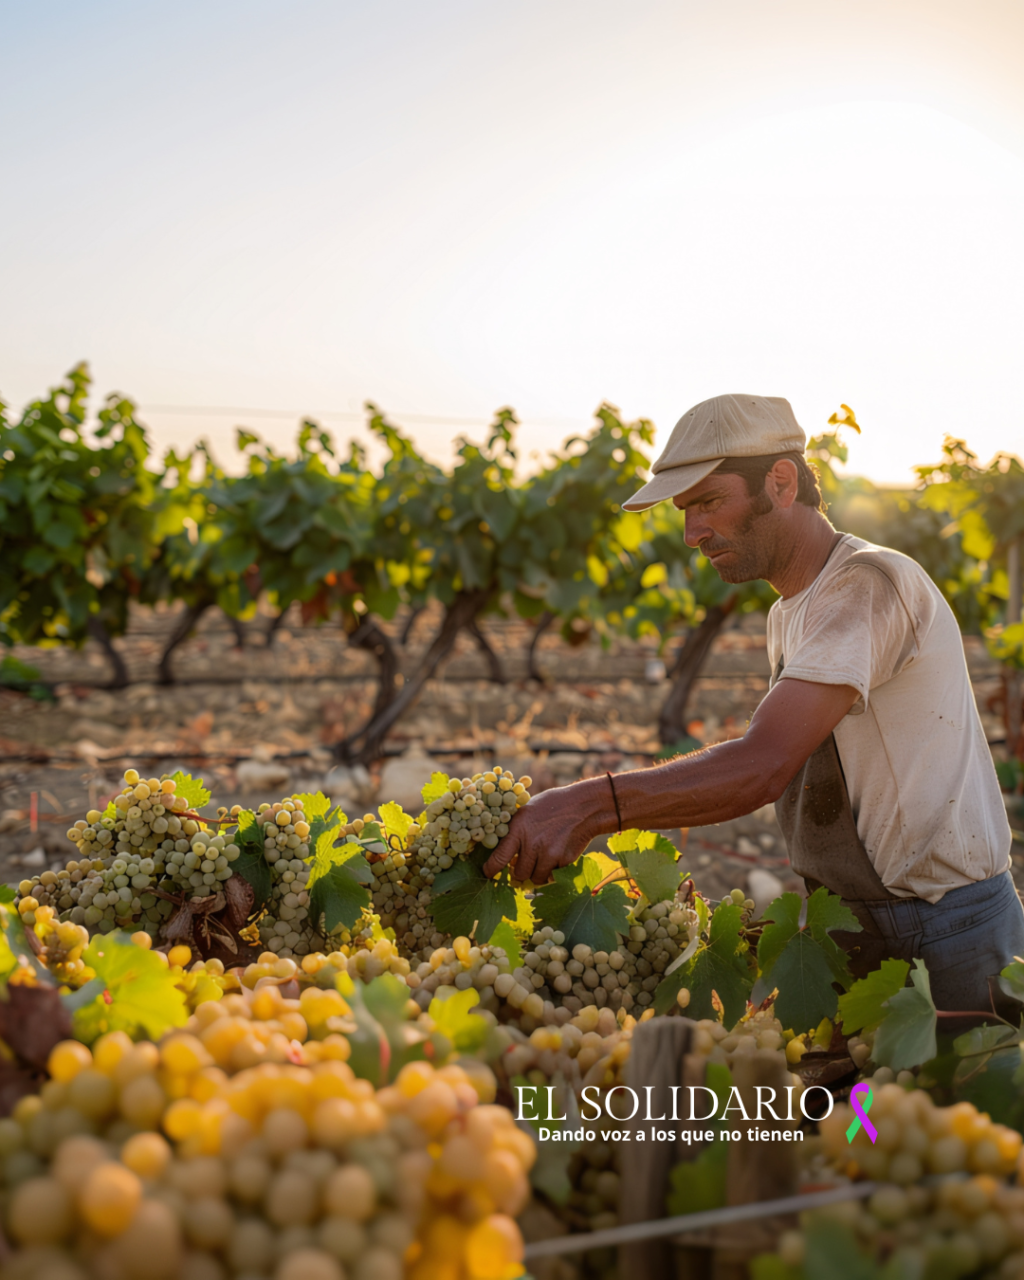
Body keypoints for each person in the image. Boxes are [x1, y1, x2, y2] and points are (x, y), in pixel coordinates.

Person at [483, 394, 1021, 1013]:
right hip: (864, 925)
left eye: (708, 502)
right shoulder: (789, 610)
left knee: (942, 1113)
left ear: (782, 482)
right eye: (685, 512)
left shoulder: (866, 585)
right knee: (858, 1113)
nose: (692, 533)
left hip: (944, 934)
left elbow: (761, 767)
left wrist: (589, 806)